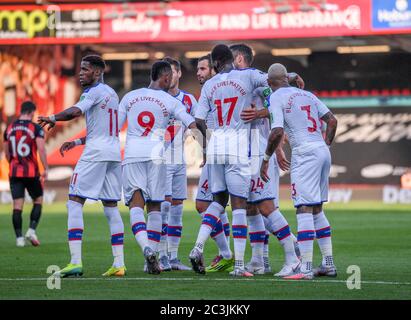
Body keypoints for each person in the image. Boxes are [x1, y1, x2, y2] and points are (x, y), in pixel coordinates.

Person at [38, 55, 126, 278]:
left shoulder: (93, 92)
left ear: (97, 72)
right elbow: (103, 128)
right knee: (111, 206)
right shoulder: (112, 94)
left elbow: (75, 112)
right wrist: (76, 141)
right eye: (80, 69)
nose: (80, 73)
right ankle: (119, 264)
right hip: (113, 153)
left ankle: (75, 261)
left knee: (74, 201)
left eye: (85, 69)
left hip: (96, 153)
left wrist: (52, 117)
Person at [190, 44, 270, 277]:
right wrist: (291, 77)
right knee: (238, 207)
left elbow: (198, 121)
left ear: (215, 63)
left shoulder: (210, 85)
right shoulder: (247, 75)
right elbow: (271, 80)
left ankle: (198, 247)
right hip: (237, 147)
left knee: (217, 201)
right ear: (232, 60)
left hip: (215, 146)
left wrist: (207, 145)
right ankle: (238, 266)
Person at [118, 60, 197, 275]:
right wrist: (207, 147)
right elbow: (191, 123)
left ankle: (146, 249)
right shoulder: (169, 101)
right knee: (154, 208)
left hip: (133, 154)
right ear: (165, 78)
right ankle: (151, 255)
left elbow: (113, 128)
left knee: (136, 205)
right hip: (158, 157)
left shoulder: (129, 97)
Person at [260, 63, 338, 280]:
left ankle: (305, 269)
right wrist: (325, 146)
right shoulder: (307, 95)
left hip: (304, 153)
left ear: (269, 83)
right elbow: (332, 120)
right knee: (316, 209)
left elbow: (276, 131)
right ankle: (328, 264)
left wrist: (266, 159)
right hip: (322, 150)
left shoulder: (276, 98)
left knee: (303, 208)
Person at [230, 43, 301, 277]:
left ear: (239, 59)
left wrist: (276, 146)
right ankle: (259, 260)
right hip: (244, 151)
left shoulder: (255, 79)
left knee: (265, 206)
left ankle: (293, 252)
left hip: (257, 151)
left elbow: (278, 100)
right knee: (251, 207)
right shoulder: (236, 82)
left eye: (231, 59)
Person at [195, 54, 233, 273]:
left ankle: (228, 255)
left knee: (207, 204)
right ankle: (225, 254)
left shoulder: (213, 87)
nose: (199, 73)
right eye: (197, 69)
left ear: (213, 69)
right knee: (220, 204)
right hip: (217, 152)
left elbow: (202, 123)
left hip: (223, 152)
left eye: (202, 68)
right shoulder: (212, 89)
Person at [157, 57, 197, 271]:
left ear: (179, 74)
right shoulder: (156, 99)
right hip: (160, 159)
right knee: (162, 207)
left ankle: (172, 257)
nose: (169, 76)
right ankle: (160, 255)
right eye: (166, 72)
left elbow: (200, 122)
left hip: (179, 158)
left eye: (172, 72)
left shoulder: (189, 100)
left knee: (177, 209)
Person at [3, 101, 48, 247]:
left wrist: (14, 163)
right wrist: (46, 168)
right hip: (31, 172)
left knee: (17, 205)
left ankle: (19, 239)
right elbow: (41, 149)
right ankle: (31, 230)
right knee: (38, 200)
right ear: (31, 112)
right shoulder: (35, 128)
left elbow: (7, 153)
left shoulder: (9, 128)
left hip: (14, 171)